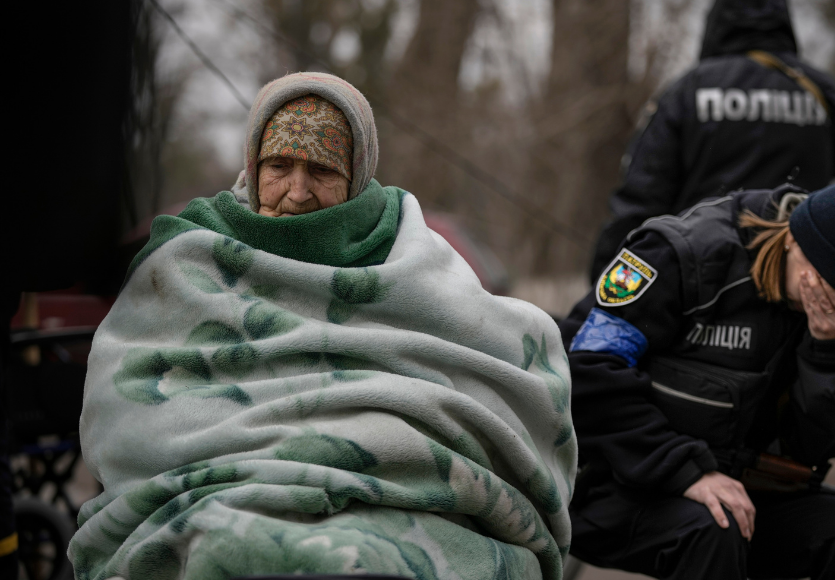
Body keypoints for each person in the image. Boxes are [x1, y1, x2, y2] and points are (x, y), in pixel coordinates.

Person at [68, 73, 576, 580]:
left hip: (400, 507)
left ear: (356, 175)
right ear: (253, 165)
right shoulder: (191, 258)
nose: (298, 191)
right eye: (280, 166)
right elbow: (127, 397)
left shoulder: (406, 252)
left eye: (322, 170)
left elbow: (494, 354)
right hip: (212, 497)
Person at [561, 174, 835, 580]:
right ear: (797, 240)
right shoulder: (682, 253)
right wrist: (687, 471)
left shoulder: (829, 320)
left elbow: (818, 447)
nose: (831, 305)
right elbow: (588, 372)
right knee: (714, 527)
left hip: (732, 489)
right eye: (831, 285)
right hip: (608, 484)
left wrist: (831, 352)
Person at [591, 0, 835, 281]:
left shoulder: (688, 90)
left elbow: (642, 199)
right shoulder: (822, 92)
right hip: (800, 285)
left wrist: (605, 285)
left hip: (702, 288)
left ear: (716, 23)